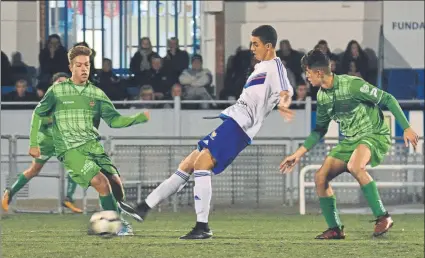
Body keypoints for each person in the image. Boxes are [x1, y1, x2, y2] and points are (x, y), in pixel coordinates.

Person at [133, 25, 294, 240]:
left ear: (269, 46)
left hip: (240, 127)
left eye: (255, 44)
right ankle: (144, 207)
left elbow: (286, 90)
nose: (251, 48)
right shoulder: (262, 67)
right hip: (233, 120)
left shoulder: (276, 67)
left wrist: (283, 104)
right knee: (188, 163)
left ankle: (202, 226)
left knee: (202, 164)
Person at [279, 49, 419, 239]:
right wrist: (298, 154)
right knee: (321, 177)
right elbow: (319, 130)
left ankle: (383, 217)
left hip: (373, 134)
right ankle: (335, 228)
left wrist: (407, 128)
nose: (307, 77)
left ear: (318, 72)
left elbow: (387, 99)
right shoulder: (322, 96)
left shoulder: (352, 85)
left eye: (308, 73)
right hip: (351, 141)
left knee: (355, 165)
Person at [27, 46, 150, 235]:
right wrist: (33, 143)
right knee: (101, 182)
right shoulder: (58, 90)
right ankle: (117, 224)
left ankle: (107, 218)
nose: (84, 69)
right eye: (79, 65)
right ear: (71, 67)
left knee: (116, 183)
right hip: (70, 149)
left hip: (92, 146)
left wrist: (138, 118)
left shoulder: (96, 94)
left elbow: (114, 120)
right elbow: (38, 113)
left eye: (87, 64)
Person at [2, 72, 83, 213]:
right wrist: (33, 144)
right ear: (54, 84)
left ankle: (68, 198)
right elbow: (38, 120)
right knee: (34, 170)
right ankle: (10, 192)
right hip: (47, 141)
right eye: (60, 82)